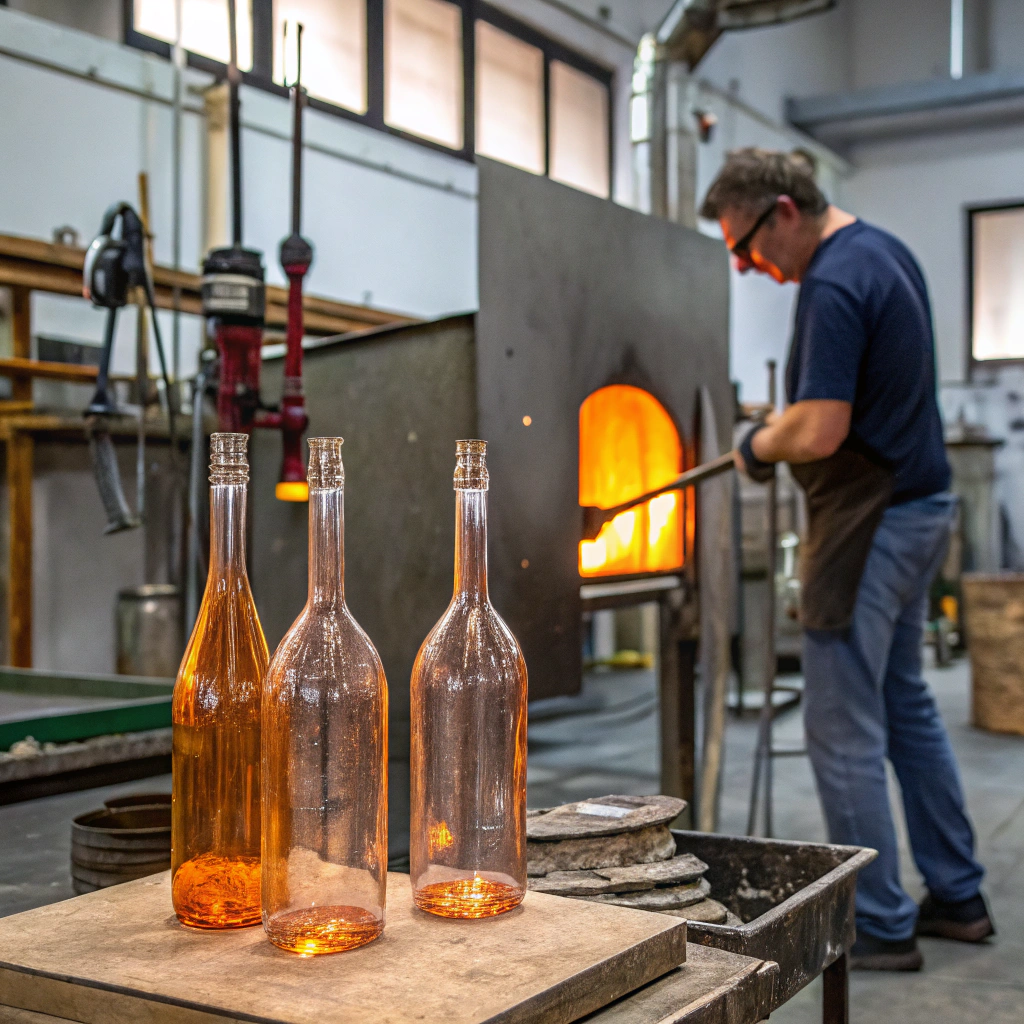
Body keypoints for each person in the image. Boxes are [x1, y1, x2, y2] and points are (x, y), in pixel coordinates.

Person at [699, 148, 993, 971]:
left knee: (839, 728)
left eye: (745, 246)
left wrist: (757, 442)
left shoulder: (832, 282)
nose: (747, 266)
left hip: (873, 524)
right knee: (905, 705)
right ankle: (959, 896)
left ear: (785, 210)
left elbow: (821, 427)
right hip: (920, 507)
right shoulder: (884, 249)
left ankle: (881, 924)